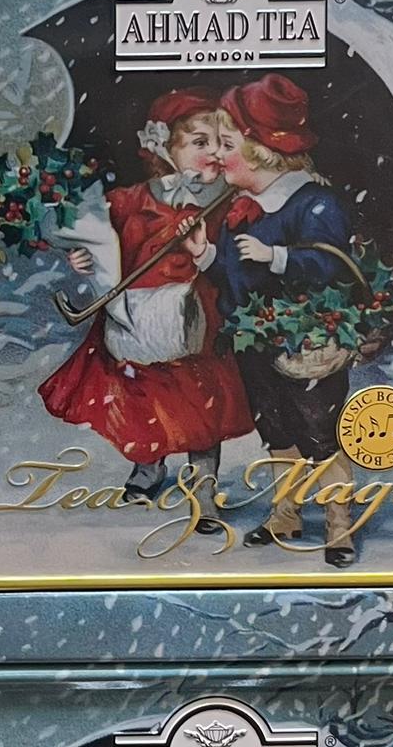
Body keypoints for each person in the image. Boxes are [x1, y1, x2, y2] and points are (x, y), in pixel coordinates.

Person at [38, 89, 249, 521]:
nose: (214, 151)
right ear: (163, 147)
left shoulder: (230, 199)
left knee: (201, 399)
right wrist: (80, 256)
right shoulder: (130, 200)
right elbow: (98, 241)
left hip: (195, 316)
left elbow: (236, 258)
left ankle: (203, 485)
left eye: (220, 141)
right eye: (200, 142)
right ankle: (149, 465)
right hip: (134, 316)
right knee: (143, 396)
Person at [209, 75, 358, 566]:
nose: (217, 156)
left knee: (320, 432)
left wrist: (277, 257)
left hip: (305, 345)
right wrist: (205, 255)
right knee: (275, 429)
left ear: (261, 152)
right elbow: (231, 273)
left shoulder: (315, 203)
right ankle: (286, 513)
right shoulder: (242, 208)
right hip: (254, 342)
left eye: (227, 145)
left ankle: (339, 524)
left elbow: (333, 265)